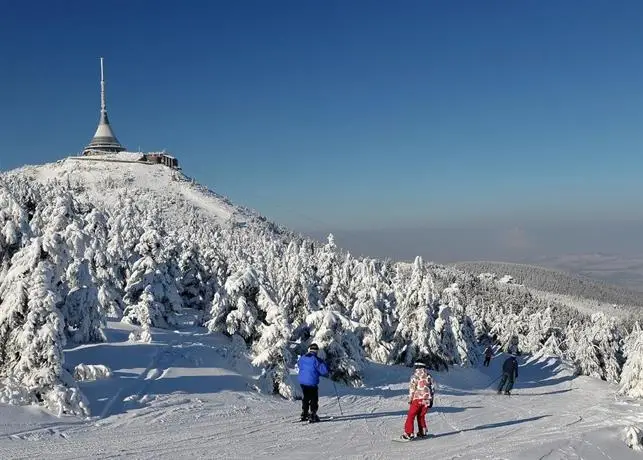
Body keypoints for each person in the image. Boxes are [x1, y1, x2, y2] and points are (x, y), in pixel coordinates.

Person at [400, 362, 435, 440]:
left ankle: (408, 433)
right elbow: (432, 389)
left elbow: (412, 389)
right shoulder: (429, 376)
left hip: (417, 399)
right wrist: (431, 399)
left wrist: (410, 399)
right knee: (421, 415)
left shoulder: (414, 377)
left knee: (411, 415)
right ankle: (422, 432)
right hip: (427, 399)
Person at [297, 343, 329, 422]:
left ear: (309, 349)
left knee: (306, 397)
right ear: (316, 351)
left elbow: (299, 365)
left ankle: (304, 413)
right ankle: (312, 414)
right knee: (314, 398)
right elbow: (324, 371)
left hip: (302, 381)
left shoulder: (302, 358)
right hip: (312, 382)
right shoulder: (317, 360)